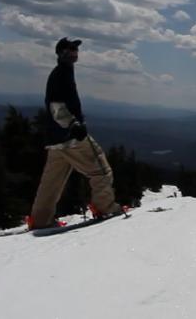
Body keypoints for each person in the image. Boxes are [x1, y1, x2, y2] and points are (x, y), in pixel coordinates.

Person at [27, 37, 124, 229]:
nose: (74, 52)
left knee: (51, 182)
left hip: (55, 139)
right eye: (70, 49)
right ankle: (106, 208)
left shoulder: (63, 72)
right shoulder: (61, 73)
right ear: (61, 53)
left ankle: (40, 220)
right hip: (70, 137)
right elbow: (56, 106)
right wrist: (74, 125)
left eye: (76, 49)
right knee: (100, 168)